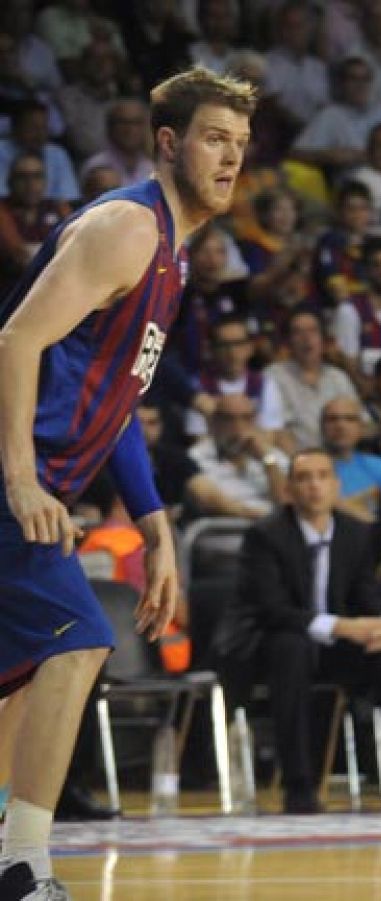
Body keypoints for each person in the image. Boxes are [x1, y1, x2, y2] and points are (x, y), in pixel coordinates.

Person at [0, 67, 255, 900]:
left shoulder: (173, 262)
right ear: (170, 143)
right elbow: (14, 341)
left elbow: (117, 401)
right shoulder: (126, 228)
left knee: (27, 679)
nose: (231, 159)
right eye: (216, 139)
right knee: (76, 642)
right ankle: (23, 865)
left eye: (242, 146)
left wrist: (156, 522)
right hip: (14, 477)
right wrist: (21, 481)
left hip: (42, 479)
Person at [226, 449, 381, 814]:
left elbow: (368, 593)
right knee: (292, 647)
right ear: (290, 488)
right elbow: (271, 609)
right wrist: (344, 626)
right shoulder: (266, 535)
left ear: (336, 486)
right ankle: (299, 785)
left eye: (323, 476)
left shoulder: (356, 533)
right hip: (270, 643)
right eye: (304, 478)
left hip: (335, 647)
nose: (315, 486)